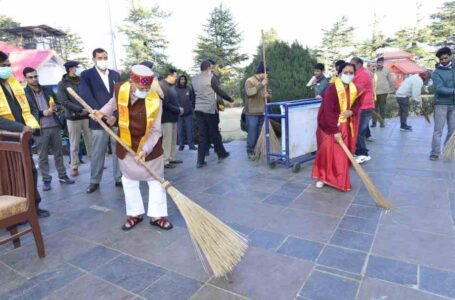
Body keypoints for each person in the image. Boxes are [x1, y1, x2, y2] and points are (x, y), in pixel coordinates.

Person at [93, 65, 172, 231]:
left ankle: (157, 215)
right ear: (131, 82)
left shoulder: (155, 100)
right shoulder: (121, 90)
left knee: (156, 181)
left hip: (149, 144)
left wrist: (146, 149)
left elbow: (157, 130)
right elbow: (112, 104)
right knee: (129, 181)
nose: (144, 91)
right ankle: (135, 213)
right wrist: (101, 113)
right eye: (141, 88)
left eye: (146, 88)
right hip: (126, 142)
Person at [0, 51, 50, 217]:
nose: (7, 69)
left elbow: (26, 108)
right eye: (3, 66)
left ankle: (34, 207)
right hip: (7, 140)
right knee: (14, 177)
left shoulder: (12, 82)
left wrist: (31, 126)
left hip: (23, 138)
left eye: (8, 65)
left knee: (30, 172)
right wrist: (20, 128)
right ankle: (16, 211)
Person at [23, 67, 75, 191]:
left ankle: (62, 176)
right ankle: (46, 180)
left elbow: (58, 104)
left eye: (35, 76)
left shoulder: (47, 89)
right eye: (30, 77)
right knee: (42, 156)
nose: (34, 79)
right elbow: (26, 111)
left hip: (54, 125)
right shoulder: (24, 93)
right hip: (39, 128)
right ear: (25, 78)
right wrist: (43, 113)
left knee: (59, 153)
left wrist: (55, 109)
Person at [312, 62, 360, 191]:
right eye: (346, 72)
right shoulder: (332, 89)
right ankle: (322, 177)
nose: (348, 75)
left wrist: (352, 111)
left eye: (351, 73)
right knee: (326, 152)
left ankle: (339, 180)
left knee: (341, 155)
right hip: (330, 126)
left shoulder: (354, 88)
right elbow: (327, 111)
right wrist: (335, 130)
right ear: (339, 74)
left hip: (346, 126)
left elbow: (357, 104)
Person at [80, 48, 122, 193]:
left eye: (105, 57)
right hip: (97, 121)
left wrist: (115, 115)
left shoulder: (116, 75)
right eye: (100, 58)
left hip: (115, 120)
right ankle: (94, 180)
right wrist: (103, 115)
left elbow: (120, 98)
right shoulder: (86, 75)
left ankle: (119, 178)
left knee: (118, 150)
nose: (103, 60)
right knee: (98, 151)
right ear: (93, 59)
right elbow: (87, 96)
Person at [193, 60, 233, 168]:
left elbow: (193, 95)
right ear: (208, 68)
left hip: (198, 109)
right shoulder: (211, 77)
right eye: (212, 67)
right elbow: (219, 91)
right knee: (214, 132)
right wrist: (229, 99)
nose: (213, 68)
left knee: (202, 134)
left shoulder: (194, 79)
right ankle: (221, 154)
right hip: (209, 109)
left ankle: (200, 161)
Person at [57, 60, 92, 177]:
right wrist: (79, 109)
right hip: (73, 117)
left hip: (86, 115)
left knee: (90, 142)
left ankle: (95, 163)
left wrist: (87, 110)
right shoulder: (62, 84)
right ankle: (74, 166)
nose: (77, 69)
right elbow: (63, 101)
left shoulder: (82, 81)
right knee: (74, 144)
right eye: (76, 67)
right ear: (70, 69)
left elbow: (88, 95)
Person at [430, 47, 455, 161]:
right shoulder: (436, 73)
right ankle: (435, 152)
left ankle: (447, 149)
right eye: (441, 59)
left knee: (452, 130)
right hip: (441, 104)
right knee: (438, 130)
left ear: (450, 56)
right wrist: (453, 91)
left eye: (445, 58)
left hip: (453, 104)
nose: (443, 60)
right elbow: (439, 88)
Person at [351, 57, 374, 164]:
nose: (351, 66)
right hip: (361, 106)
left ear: (359, 64)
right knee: (357, 130)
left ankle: (364, 154)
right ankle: (358, 151)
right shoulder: (358, 73)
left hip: (365, 106)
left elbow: (355, 90)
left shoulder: (363, 74)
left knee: (360, 131)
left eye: (353, 64)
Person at [244, 61, 269, 159]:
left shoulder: (265, 82)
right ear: (261, 72)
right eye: (266, 73)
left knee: (259, 134)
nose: (267, 75)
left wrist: (267, 95)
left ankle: (257, 150)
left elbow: (263, 94)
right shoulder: (249, 81)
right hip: (252, 113)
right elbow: (250, 93)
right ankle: (250, 152)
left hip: (261, 111)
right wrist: (261, 85)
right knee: (252, 134)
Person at [159, 67, 183, 168]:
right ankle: (165, 161)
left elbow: (174, 100)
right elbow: (165, 104)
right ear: (169, 76)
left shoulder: (171, 86)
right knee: (167, 140)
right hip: (166, 118)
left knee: (173, 139)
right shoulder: (162, 86)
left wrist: (179, 108)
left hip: (173, 117)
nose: (176, 78)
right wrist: (178, 110)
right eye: (174, 76)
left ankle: (172, 157)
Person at [176, 74, 196, 151]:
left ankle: (191, 145)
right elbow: (173, 100)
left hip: (188, 113)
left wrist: (192, 107)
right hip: (178, 114)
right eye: (181, 79)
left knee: (189, 129)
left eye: (184, 79)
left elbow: (193, 99)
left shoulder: (189, 88)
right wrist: (177, 109)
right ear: (178, 80)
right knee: (179, 130)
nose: (183, 81)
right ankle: (181, 145)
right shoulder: (174, 89)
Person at [375, 57, 396, 127]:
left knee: (382, 108)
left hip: (383, 91)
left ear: (383, 63)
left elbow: (391, 80)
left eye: (381, 62)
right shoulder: (373, 69)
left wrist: (392, 90)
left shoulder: (387, 70)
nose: (379, 64)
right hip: (374, 91)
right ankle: (374, 123)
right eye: (378, 62)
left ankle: (382, 123)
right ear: (377, 63)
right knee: (374, 108)